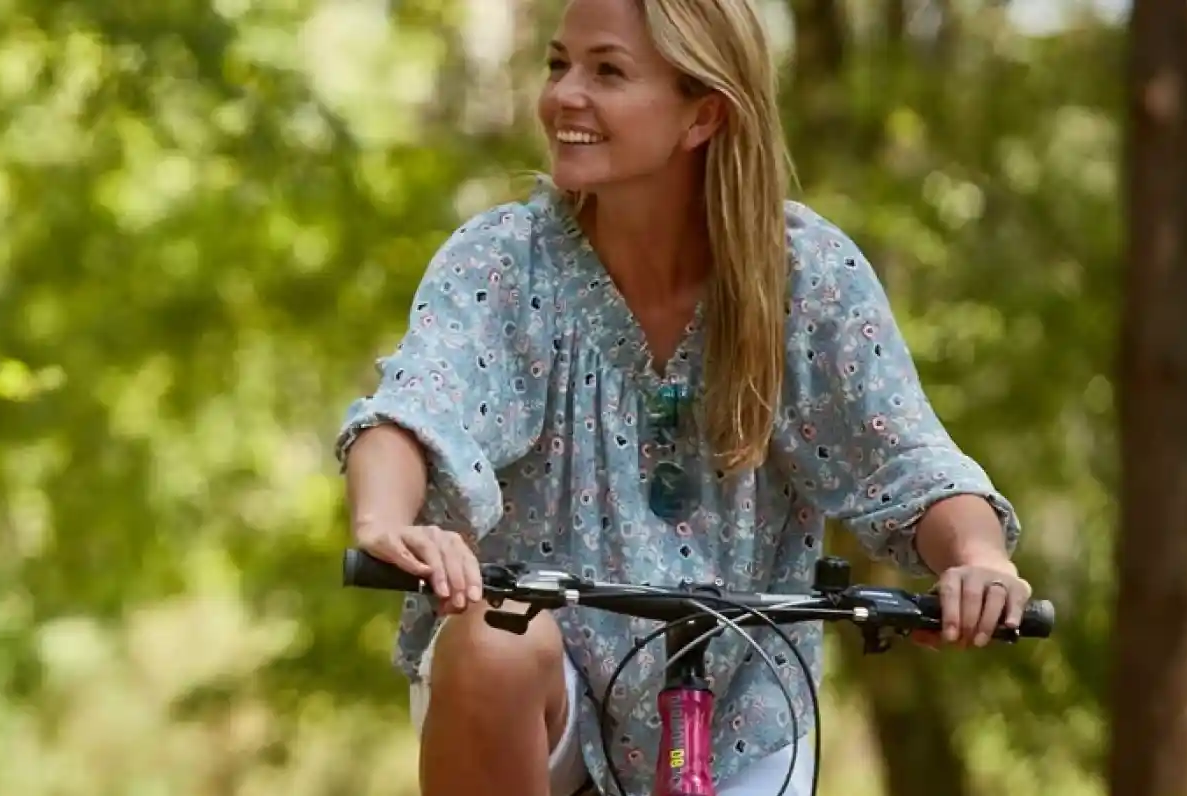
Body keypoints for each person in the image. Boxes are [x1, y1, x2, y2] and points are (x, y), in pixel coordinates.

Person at [333, 1, 1032, 794]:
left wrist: (979, 563)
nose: (564, 96)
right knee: (490, 638)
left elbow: (913, 465)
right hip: (534, 695)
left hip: (741, 709)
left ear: (703, 115)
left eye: (608, 71)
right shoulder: (505, 260)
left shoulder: (808, 276)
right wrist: (384, 520)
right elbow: (416, 409)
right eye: (559, 64)